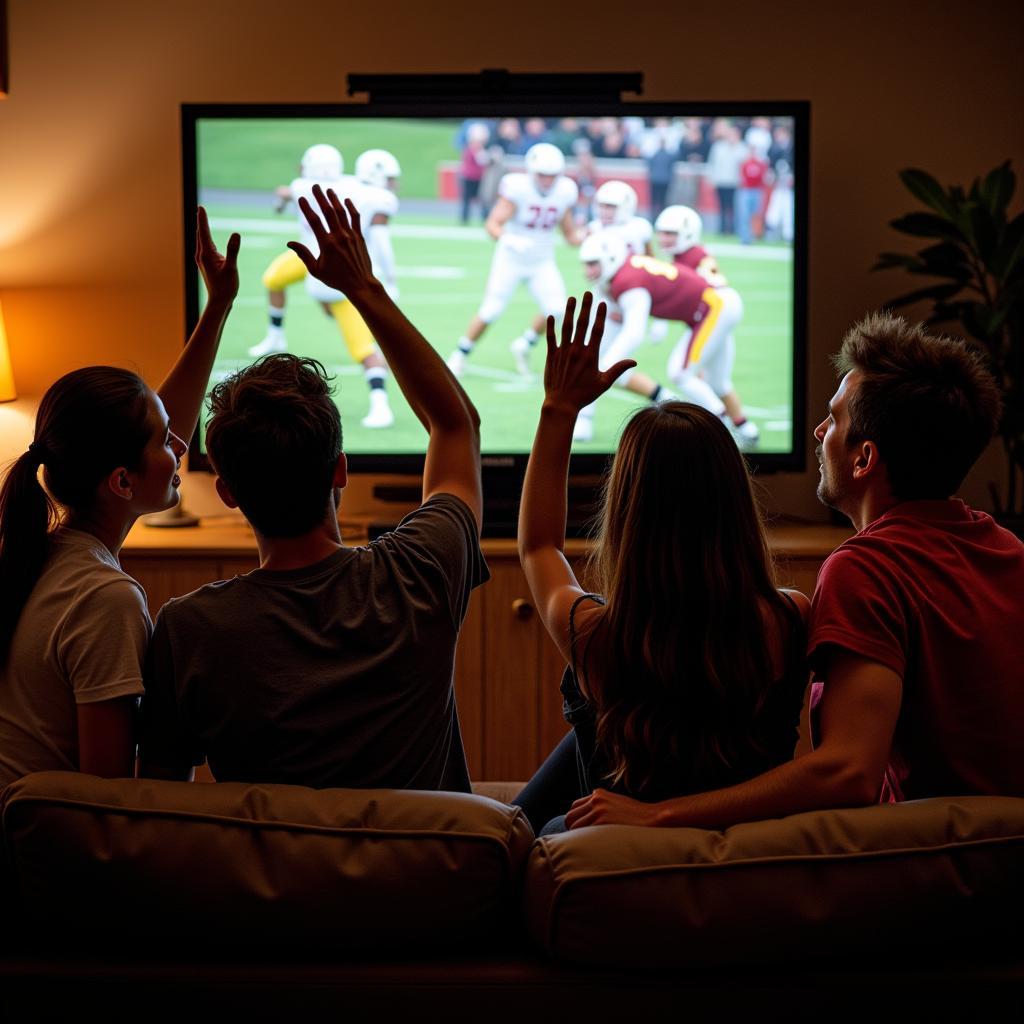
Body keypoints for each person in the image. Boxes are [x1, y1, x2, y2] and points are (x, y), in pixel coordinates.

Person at [565, 312, 1024, 829]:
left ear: (863, 459)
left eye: (834, 419)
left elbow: (848, 772)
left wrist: (660, 814)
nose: (818, 430)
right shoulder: (1007, 548)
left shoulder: (865, 570)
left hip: (930, 862)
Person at [138, 186, 488, 791]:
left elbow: (164, 805)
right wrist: (364, 287)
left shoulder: (188, 629)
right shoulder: (420, 571)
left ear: (227, 493)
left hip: (270, 884)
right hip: (432, 878)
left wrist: (216, 307)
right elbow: (456, 423)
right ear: (341, 471)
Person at [513, 294, 808, 834]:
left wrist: (558, 409)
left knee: (534, 823)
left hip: (615, 865)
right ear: (736, 505)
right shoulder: (789, 619)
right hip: (757, 869)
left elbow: (538, 548)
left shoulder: (592, 632)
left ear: (626, 512)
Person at [0, 209, 239, 788]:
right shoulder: (105, 599)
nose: (181, 444)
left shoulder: (38, 554)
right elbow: (104, 807)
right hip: (42, 863)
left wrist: (218, 307)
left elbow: (152, 428)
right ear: (122, 482)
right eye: (164, 440)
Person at [251, 143, 398, 429]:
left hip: (317, 268)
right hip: (334, 270)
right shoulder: (363, 190)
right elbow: (379, 232)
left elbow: (286, 191)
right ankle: (276, 335)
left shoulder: (303, 186)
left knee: (362, 347)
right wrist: (390, 279)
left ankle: (381, 405)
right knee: (276, 280)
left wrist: (281, 202)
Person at [573, 232, 757, 447]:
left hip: (715, 307)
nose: (588, 271)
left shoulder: (628, 280)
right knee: (717, 382)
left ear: (611, 259)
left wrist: (607, 363)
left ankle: (723, 431)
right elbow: (612, 325)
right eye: (586, 264)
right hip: (713, 307)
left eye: (593, 264)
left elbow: (634, 331)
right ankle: (747, 430)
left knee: (680, 373)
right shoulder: (619, 275)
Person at [447, 143, 583, 379]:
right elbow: (492, 225)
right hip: (511, 259)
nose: (548, 181)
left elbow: (570, 235)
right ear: (531, 171)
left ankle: (524, 344)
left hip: (541, 261)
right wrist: (508, 239)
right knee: (491, 310)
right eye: (542, 175)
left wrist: (589, 235)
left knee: (557, 309)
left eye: (552, 176)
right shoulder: (518, 188)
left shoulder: (565, 191)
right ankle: (460, 354)